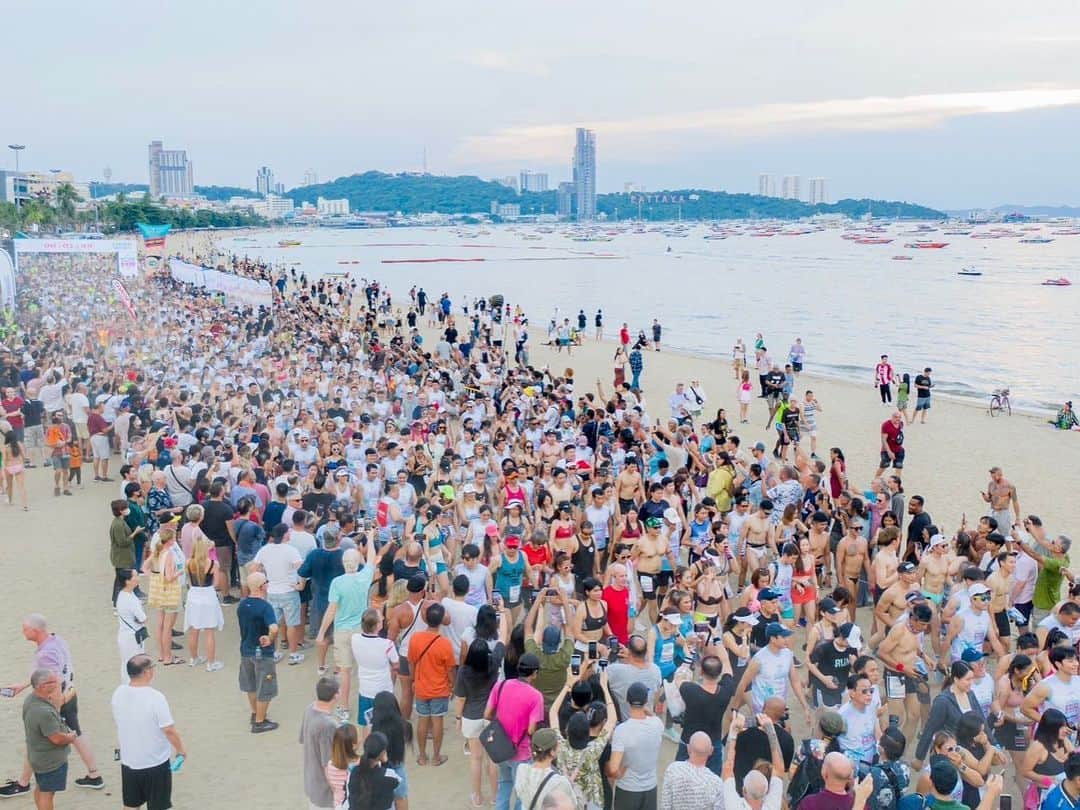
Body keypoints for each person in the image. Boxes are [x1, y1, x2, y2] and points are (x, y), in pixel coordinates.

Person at [0, 614, 103, 797]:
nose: (23, 632)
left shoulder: (45, 654)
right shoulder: (57, 640)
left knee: (36, 740)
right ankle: (94, 774)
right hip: (70, 694)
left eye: (25, 629)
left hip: (55, 700)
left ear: (35, 630)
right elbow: (48, 674)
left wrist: (54, 705)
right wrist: (23, 686)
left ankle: (23, 783)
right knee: (76, 733)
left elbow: (52, 680)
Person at [111, 654, 186, 810]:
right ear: (147, 673)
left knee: (131, 805)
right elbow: (169, 729)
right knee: (159, 806)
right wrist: (181, 750)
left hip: (129, 761)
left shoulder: (119, 692)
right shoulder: (156, 698)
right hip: (155, 762)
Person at [317, 537, 378, 721]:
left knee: (345, 671)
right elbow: (372, 559)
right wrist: (372, 537)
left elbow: (332, 609)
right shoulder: (364, 576)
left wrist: (321, 631)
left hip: (342, 630)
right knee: (366, 669)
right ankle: (371, 705)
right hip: (362, 630)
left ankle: (343, 707)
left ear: (344, 563)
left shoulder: (338, 583)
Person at [486, 652, 544, 810]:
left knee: (504, 787)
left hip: (501, 747)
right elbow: (532, 730)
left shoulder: (501, 685)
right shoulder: (535, 696)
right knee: (521, 795)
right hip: (521, 752)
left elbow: (487, 714)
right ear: (534, 673)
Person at [408, 602, 456, 767]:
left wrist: (414, 680)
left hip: (421, 687)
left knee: (422, 720)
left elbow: (412, 662)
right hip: (440, 689)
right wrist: (452, 685)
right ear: (441, 620)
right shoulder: (445, 644)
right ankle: (436, 757)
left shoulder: (415, 639)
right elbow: (450, 670)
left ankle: (422, 756)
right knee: (437, 721)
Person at [21, 669, 76, 810]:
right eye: (54, 681)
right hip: (50, 760)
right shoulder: (43, 712)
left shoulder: (31, 700)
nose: (58, 682)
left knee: (41, 788)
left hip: (37, 756)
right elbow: (57, 739)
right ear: (43, 686)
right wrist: (70, 737)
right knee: (47, 794)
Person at [607, 681, 664, 810]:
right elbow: (652, 716)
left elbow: (613, 768)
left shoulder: (622, 730)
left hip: (628, 789)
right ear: (646, 701)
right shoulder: (657, 724)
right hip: (650, 787)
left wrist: (621, 772)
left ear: (627, 701)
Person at [237, 571, 280, 733]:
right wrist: (270, 638)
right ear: (262, 587)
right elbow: (274, 627)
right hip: (262, 653)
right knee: (265, 685)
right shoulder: (265, 607)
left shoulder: (242, 605)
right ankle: (260, 721)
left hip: (246, 649)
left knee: (251, 684)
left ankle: (255, 713)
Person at [721, 711, 786, 810]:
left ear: (744, 790)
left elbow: (727, 768)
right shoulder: (772, 806)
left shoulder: (734, 806)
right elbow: (778, 769)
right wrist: (771, 731)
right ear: (767, 790)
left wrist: (733, 732)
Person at [300, 676, 341, 810]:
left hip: (312, 781)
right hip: (324, 791)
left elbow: (303, 739)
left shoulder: (309, 709)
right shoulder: (328, 725)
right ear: (335, 696)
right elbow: (328, 764)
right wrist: (337, 790)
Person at [514, 727, 575, 810]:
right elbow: (573, 806)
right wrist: (571, 785)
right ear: (552, 752)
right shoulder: (560, 782)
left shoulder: (521, 770)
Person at [660, 731, 724, 810]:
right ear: (711, 751)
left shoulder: (673, 769)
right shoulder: (716, 783)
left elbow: (665, 804)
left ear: (688, 748)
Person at [347, 731, 401, 810]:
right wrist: (385, 763)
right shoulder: (386, 775)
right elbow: (397, 781)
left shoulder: (354, 771)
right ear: (383, 753)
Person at [116, 568, 148, 684]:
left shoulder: (123, 595)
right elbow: (143, 618)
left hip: (126, 634)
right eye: (135, 576)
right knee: (135, 663)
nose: (138, 578)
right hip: (132, 638)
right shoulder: (130, 599)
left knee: (126, 663)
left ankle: (127, 685)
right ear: (128, 581)